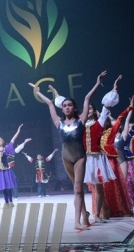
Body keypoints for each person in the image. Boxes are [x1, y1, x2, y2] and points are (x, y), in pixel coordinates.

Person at [29, 71, 106, 230]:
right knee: (76, 188)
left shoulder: (81, 120)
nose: (67, 107)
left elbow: (87, 99)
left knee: (78, 188)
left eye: (69, 105)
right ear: (62, 109)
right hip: (66, 158)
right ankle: (84, 213)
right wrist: (38, 92)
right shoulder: (58, 122)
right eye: (64, 105)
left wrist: (98, 83)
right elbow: (50, 104)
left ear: (74, 107)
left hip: (79, 157)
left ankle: (77, 221)